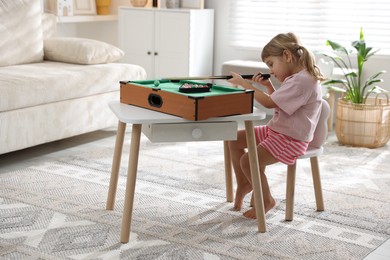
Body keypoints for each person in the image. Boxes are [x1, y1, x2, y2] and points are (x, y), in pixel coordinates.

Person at [227, 32, 325, 219]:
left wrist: (245, 84)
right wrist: (269, 87)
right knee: (234, 140)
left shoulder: (302, 81)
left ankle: (267, 200)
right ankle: (245, 183)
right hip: (277, 131)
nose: (271, 70)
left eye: (271, 64)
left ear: (287, 56)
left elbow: (270, 104)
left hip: (290, 139)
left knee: (247, 161)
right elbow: (280, 102)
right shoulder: (298, 78)